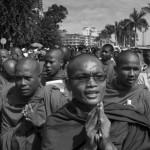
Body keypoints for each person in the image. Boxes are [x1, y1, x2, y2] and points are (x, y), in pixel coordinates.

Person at [42, 54, 116, 150]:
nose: (92, 84)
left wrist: (107, 144)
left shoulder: (123, 117)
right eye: (82, 78)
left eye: (98, 76)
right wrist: (89, 146)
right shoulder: (56, 124)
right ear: (68, 85)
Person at [0, 57, 68, 150]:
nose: (22, 83)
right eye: (18, 78)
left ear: (39, 77)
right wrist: (23, 127)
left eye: (28, 78)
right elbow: (4, 137)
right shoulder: (9, 101)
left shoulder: (52, 97)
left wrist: (40, 125)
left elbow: (64, 136)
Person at [103, 50, 150, 149]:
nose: (132, 74)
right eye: (127, 69)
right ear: (116, 69)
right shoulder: (104, 92)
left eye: (136, 69)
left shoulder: (144, 94)